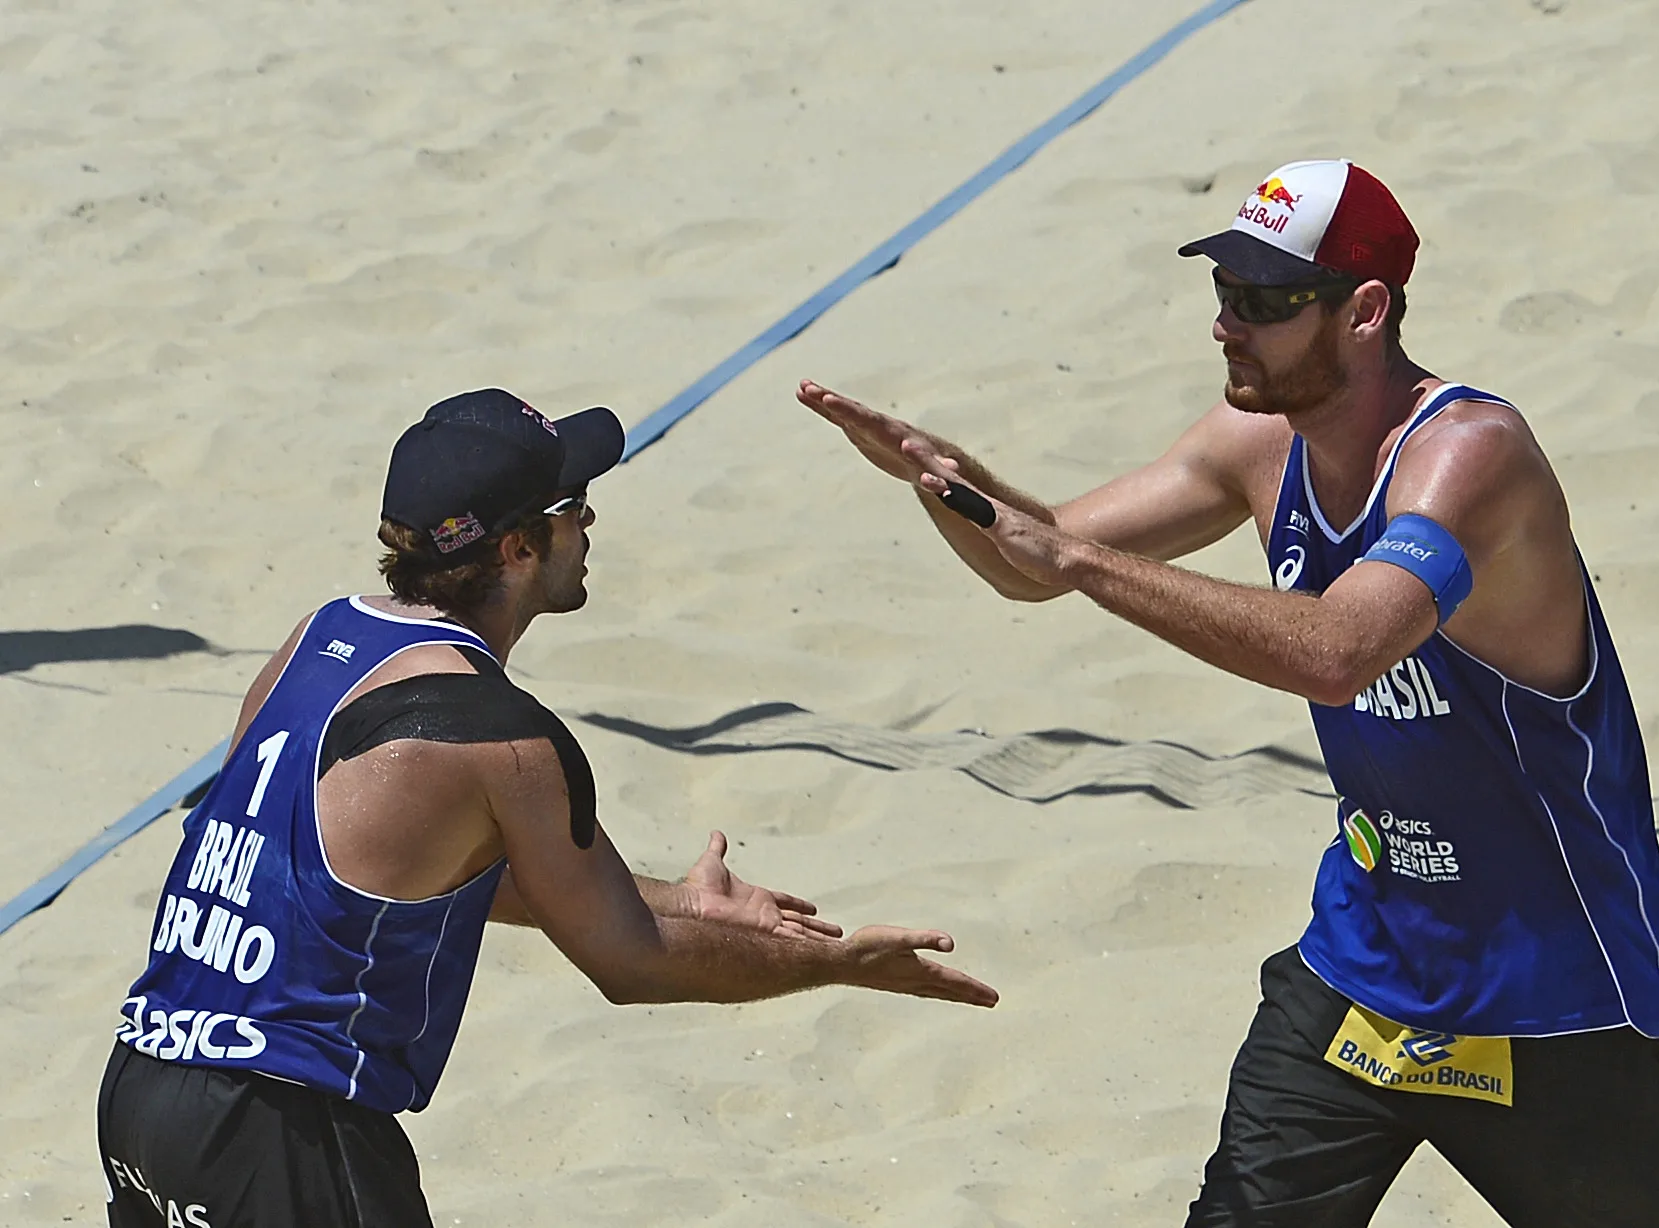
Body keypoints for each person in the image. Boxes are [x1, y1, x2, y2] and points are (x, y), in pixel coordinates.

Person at [801, 159, 1659, 1226]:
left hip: (1564, 999)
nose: (1226, 327)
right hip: (1362, 974)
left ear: (1366, 311)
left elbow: (1339, 650)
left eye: (1266, 301)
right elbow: (1033, 557)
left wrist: (1070, 560)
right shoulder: (1255, 441)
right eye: (1223, 293)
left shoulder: (1470, 457)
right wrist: (943, 482)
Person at [98, 388, 997, 1228]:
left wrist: (685, 902)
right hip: (280, 1127)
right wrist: (834, 966)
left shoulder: (323, 634)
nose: (589, 520)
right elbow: (630, 966)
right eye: (570, 507)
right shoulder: (502, 738)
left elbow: (376, 876)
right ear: (517, 549)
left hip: (141, 1092)